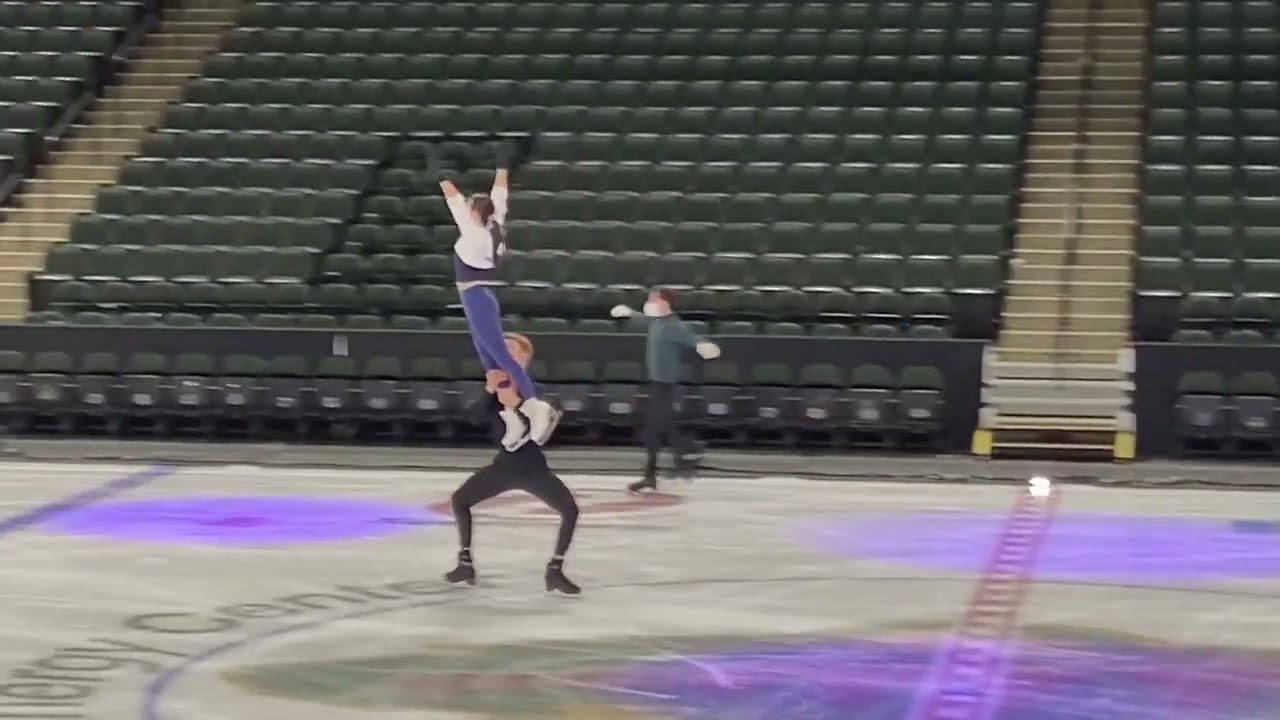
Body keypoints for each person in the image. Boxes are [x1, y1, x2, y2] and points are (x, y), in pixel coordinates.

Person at [443, 332, 581, 595]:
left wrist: (517, 404)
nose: (505, 354)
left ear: (525, 358)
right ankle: (465, 562)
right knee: (460, 500)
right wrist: (488, 390)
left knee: (570, 511)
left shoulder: (535, 392)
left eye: (512, 350)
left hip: (532, 468)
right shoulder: (495, 391)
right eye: (502, 349)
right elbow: (471, 418)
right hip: (503, 466)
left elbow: (543, 430)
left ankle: (555, 569)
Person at [441, 166, 559, 451]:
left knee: (502, 358)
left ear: (474, 214)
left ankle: (534, 405)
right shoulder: (495, 224)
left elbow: (454, 201)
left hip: (478, 298)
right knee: (490, 365)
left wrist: (442, 177)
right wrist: (503, 169)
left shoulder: (475, 233)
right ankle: (513, 415)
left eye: (471, 208)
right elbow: (500, 196)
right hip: (477, 297)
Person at [611, 288, 722, 494]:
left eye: (653, 299)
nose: (649, 302)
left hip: (665, 385)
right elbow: (642, 319)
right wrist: (629, 313)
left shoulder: (674, 326)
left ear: (665, 302)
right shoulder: (655, 322)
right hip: (655, 384)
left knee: (658, 428)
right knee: (659, 428)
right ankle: (676, 460)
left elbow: (691, 336)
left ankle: (683, 455)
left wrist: (703, 345)